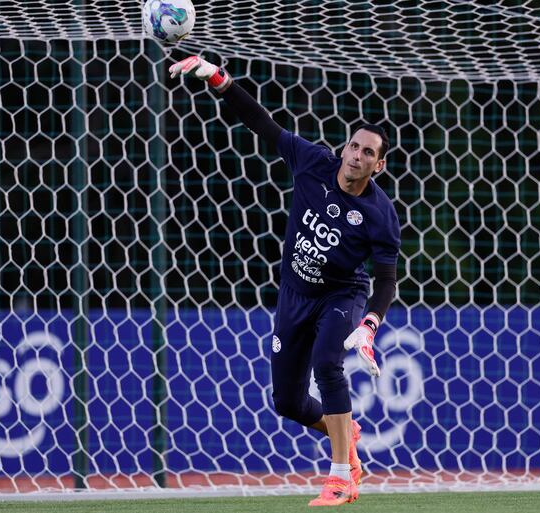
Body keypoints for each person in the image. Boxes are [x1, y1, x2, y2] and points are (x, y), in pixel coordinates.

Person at [169, 56, 400, 507]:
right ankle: (345, 431)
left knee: (327, 363)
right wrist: (218, 79)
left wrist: (370, 322)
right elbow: (261, 122)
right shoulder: (313, 162)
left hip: (341, 293)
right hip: (295, 295)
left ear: (379, 166)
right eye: (354, 146)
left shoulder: (380, 214)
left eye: (369, 152)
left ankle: (341, 476)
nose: (357, 155)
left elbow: (387, 280)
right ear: (344, 147)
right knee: (288, 403)